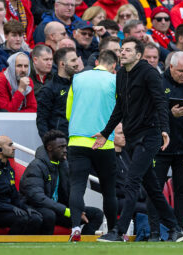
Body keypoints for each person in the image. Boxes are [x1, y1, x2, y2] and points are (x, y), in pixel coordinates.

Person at [93, 37, 183, 242]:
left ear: (138, 55)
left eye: (126, 50)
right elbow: (120, 108)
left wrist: (164, 130)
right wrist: (106, 132)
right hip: (133, 137)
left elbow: (161, 102)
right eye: (121, 50)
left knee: (132, 182)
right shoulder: (121, 75)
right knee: (152, 188)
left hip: (149, 136)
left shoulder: (149, 73)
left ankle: (118, 231)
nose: (122, 53)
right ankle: (175, 228)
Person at [147, 51, 183, 241]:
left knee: (182, 191)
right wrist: (170, 114)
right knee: (155, 190)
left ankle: (179, 230)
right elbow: (147, 114)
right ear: (170, 67)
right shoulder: (158, 83)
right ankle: (154, 232)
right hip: (160, 147)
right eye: (180, 71)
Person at [65, 50, 118, 241]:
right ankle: (113, 231)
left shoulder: (78, 78)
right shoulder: (114, 81)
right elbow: (120, 111)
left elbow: (69, 113)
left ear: (96, 62)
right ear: (114, 66)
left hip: (77, 140)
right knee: (108, 190)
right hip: (104, 142)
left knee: (77, 187)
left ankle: (75, 228)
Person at [20, 130, 104, 236]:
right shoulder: (36, 167)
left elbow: (71, 192)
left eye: (65, 147)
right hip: (36, 208)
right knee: (49, 215)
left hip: (58, 210)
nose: (65, 150)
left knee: (96, 214)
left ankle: (82, 246)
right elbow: (38, 198)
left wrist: (78, 209)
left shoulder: (64, 165)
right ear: (49, 148)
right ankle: (46, 248)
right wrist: (66, 211)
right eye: (61, 147)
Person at [0, 136, 43, 235]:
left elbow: (15, 196)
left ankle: (24, 248)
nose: (14, 148)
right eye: (10, 145)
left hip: (9, 209)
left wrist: (26, 207)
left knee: (36, 218)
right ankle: (8, 246)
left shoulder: (9, 169)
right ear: (0, 149)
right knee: (22, 219)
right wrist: (10, 208)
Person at [36, 47, 78, 138]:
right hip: (60, 141)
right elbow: (42, 120)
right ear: (62, 64)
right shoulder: (49, 89)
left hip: (79, 139)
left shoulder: (80, 85)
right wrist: (49, 143)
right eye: (73, 60)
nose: (77, 64)